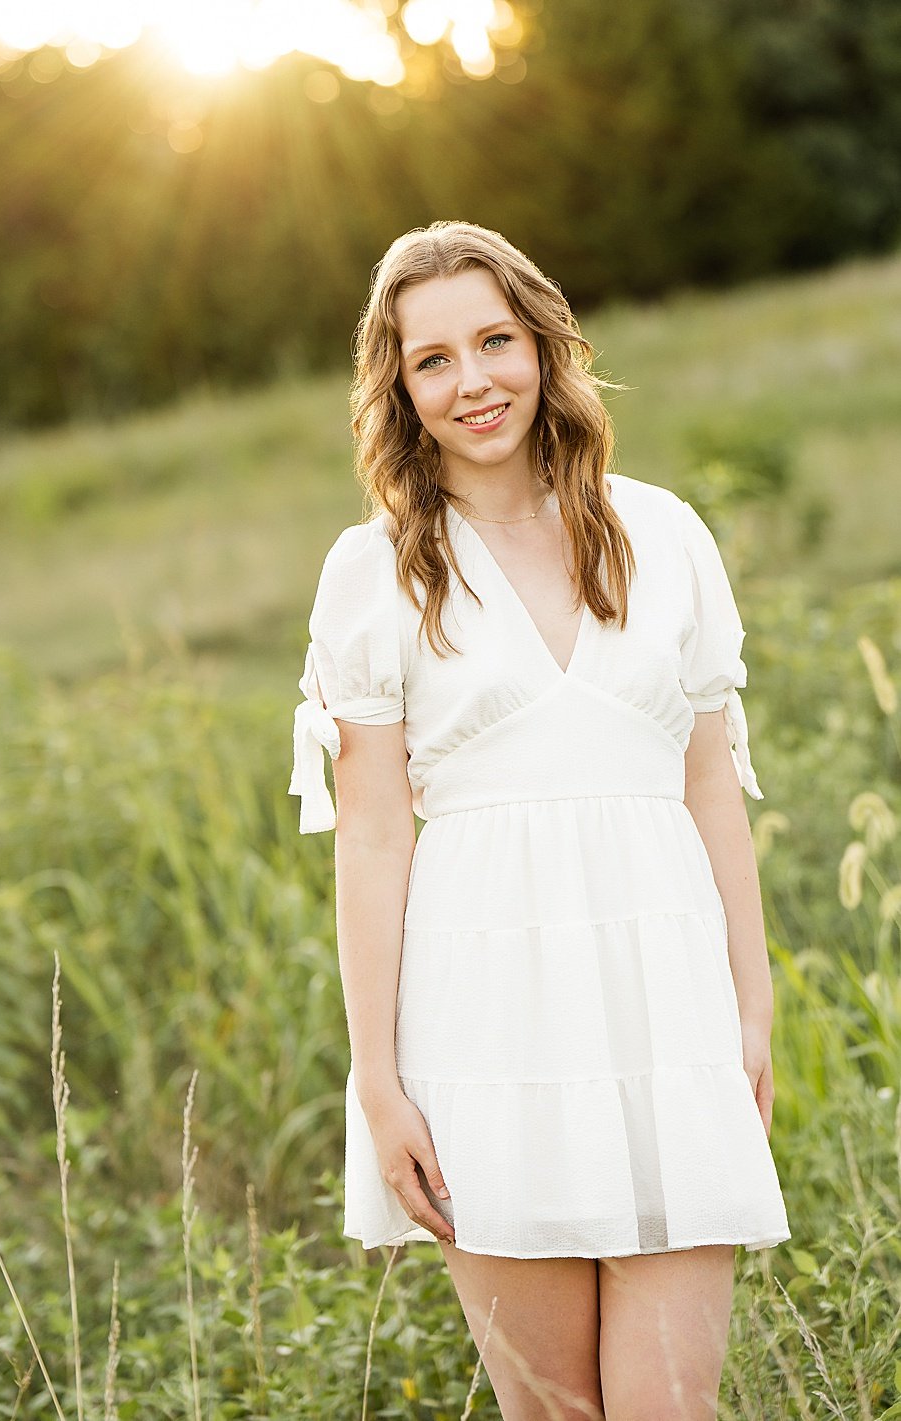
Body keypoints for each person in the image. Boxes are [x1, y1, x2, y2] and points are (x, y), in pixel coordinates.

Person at [289, 221, 788, 1419]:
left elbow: (709, 783)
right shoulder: (377, 574)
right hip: (482, 1031)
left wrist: (751, 1003)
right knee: (553, 1412)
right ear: (399, 389)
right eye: (433, 360)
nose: (474, 382)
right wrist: (379, 1077)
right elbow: (370, 836)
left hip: (667, 1007)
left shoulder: (663, 534)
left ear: (543, 344)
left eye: (494, 341)